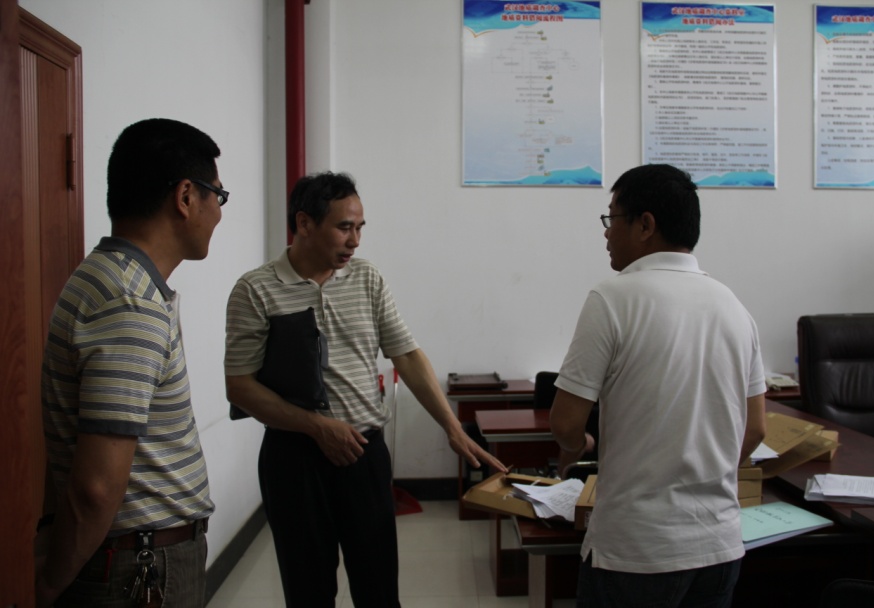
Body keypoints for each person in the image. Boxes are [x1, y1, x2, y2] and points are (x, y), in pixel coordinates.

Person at [224, 171, 507, 608]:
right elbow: (240, 386)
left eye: (359, 228)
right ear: (304, 223)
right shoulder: (256, 289)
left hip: (363, 456)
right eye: (344, 227)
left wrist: (451, 427)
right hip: (294, 461)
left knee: (378, 591)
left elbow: (407, 355)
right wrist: (316, 427)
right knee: (309, 593)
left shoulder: (366, 279)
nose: (355, 241)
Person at [549, 164, 766, 608]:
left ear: (645, 225)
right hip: (719, 547)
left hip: (636, 551)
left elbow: (566, 423)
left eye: (612, 218)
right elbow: (756, 429)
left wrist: (580, 444)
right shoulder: (734, 307)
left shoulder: (612, 299)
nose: (606, 232)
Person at [37, 118, 225, 608]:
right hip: (138, 570)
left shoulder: (110, 279)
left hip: (135, 560)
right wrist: (48, 584)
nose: (219, 214)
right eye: (218, 197)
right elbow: (96, 488)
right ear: (186, 196)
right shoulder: (129, 303)